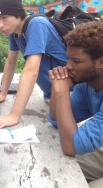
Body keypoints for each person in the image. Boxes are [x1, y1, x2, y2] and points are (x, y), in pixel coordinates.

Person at [0, 0, 67, 128]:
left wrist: (14, 115)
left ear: (17, 12)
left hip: (70, 93)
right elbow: (10, 63)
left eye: (3, 17)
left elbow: (30, 71)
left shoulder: (37, 25)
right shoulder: (16, 33)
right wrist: (3, 93)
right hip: (51, 95)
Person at [48, 21, 103, 187]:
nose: (68, 67)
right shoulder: (86, 84)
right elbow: (56, 120)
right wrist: (57, 86)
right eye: (67, 59)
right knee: (54, 167)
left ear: (100, 62)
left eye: (76, 61)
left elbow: (70, 147)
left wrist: (61, 92)